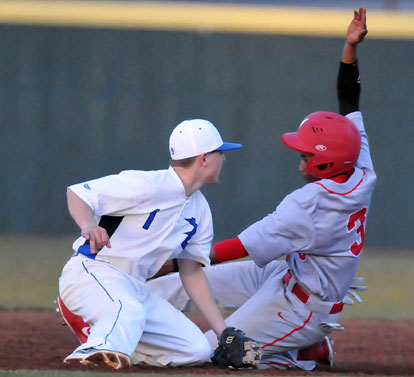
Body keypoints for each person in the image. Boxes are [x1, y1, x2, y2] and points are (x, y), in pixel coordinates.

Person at [147, 7, 376, 370]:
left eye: (305, 154)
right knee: (179, 284)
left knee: (212, 353)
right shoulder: (360, 166)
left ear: (326, 161)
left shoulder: (311, 205)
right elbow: (349, 100)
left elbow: (236, 248)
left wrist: (173, 262)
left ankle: (301, 352)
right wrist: (350, 49)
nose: (299, 160)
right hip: (284, 274)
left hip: (303, 308)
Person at [58, 118, 251, 369]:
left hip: (135, 287)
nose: (223, 159)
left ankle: (115, 344)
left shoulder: (200, 209)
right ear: (204, 158)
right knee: (128, 309)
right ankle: (95, 346)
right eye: (220, 153)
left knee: (195, 350)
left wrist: (222, 331)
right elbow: (78, 193)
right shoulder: (147, 184)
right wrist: (87, 224)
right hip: (94, 271)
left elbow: (191, 270)